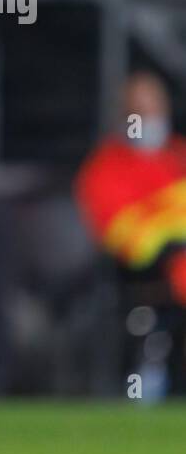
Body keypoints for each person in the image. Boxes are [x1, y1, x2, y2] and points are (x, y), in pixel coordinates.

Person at [75, 70, 186, 395]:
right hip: (147, 276)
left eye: (155, 108)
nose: (150, 118)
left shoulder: (179, 156)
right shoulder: (106, 167)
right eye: (140, 110)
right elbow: (126, 237)